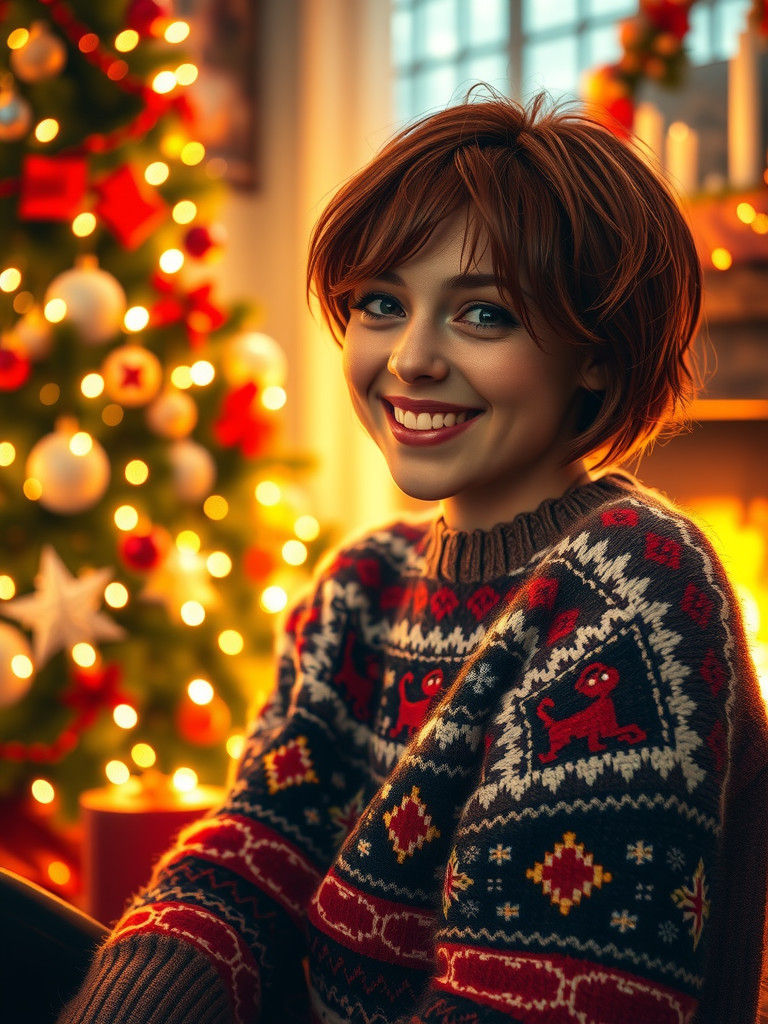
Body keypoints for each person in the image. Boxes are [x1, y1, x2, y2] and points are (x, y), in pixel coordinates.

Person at [57, 89, 768, 1024]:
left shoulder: (632, 587)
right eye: (382, 304)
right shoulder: (361, 586)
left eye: (483, 315)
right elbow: (251, 855)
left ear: (596, 354)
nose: (411, 360)